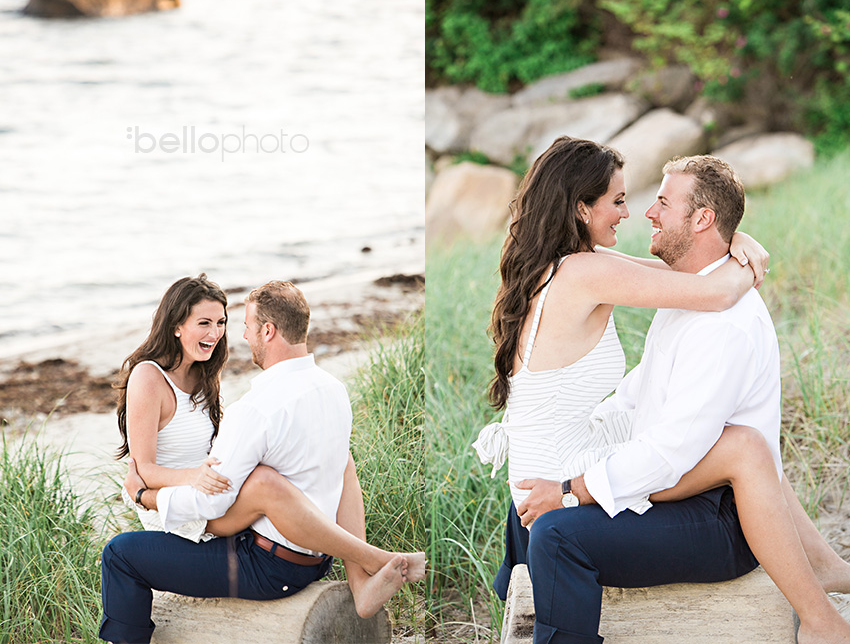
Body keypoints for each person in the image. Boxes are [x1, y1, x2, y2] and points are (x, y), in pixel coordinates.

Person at [474, 139, 850, 644]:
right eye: (621, 199)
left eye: (658, 203)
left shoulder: (595, 274)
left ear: (700, 220)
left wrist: (571, 490)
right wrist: (742, 249)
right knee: (542, 523)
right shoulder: (599, 273)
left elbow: (673, 445)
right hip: (632, 475)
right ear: (581, 208)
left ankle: (823, 599)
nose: (640, 213)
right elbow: (674, 339)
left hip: (718, 512)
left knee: (556, 528)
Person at [101, 278, 425, 644]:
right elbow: (143, 470)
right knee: (273, 479)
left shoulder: (214, 379)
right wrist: (183, 481)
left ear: (266, 331)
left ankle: (366, 564)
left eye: (222, 323)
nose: (221, 334)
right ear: (176, 326)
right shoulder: (149, 375)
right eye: (205, 323)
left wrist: (170, 489)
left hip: (217, 505)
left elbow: (214, 481)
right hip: (190, 510)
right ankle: (368, 561)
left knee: (120, 553)